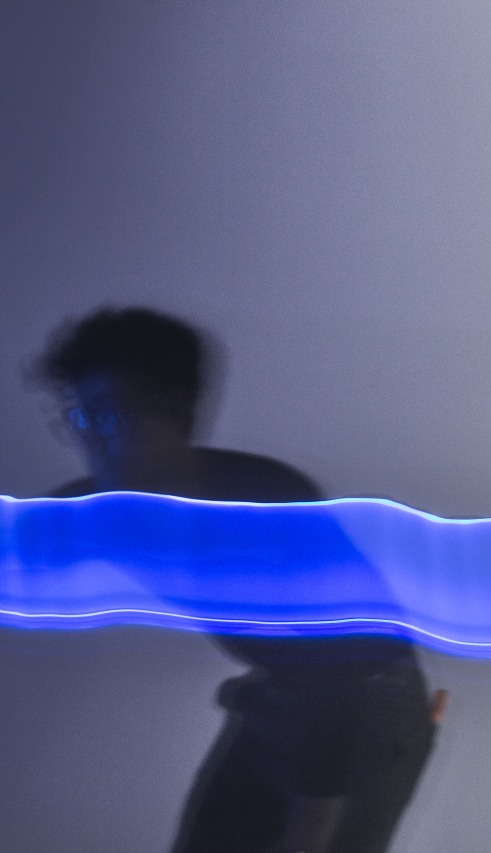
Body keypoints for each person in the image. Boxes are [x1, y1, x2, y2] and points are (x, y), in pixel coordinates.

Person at [38, 307, 444, 853]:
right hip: (284, 694)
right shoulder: (115, 508)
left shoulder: (265, 509)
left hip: (368, 703)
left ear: (176, 411)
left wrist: (308, 832)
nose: (95, 442)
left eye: (111, 417)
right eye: (82, 419)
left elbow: (336, 680)